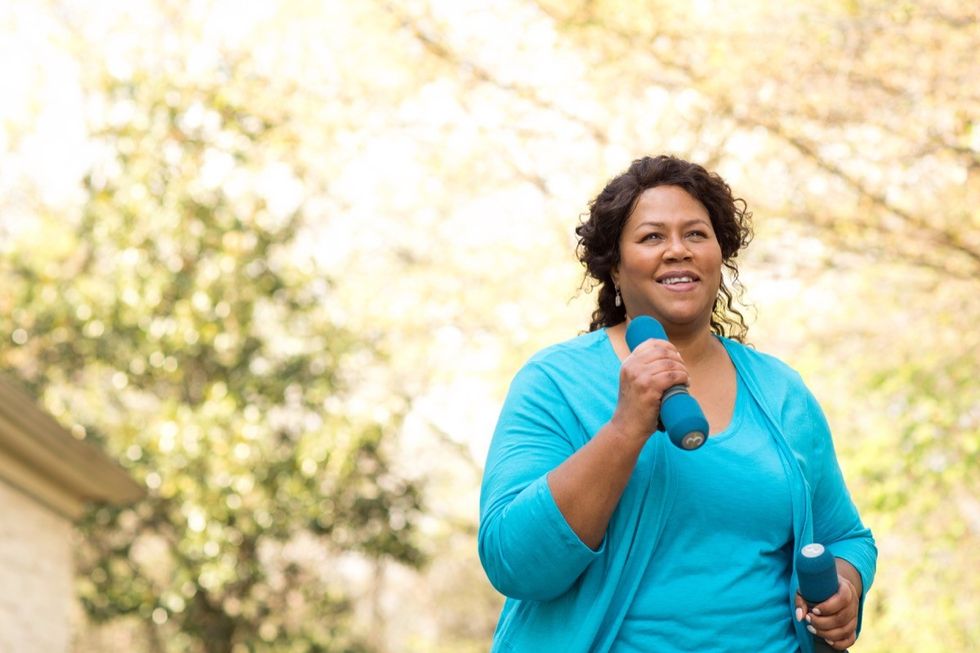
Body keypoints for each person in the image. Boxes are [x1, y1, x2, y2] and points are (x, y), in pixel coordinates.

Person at [478, 155, 877, 653]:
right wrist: (625, 428)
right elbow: (513, 562)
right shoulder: (555, 383)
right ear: (615, 268)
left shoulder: (780, 391)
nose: (677, 251)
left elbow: (846, 538)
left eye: (695, 234)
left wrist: (845, 587)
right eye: (651, 237)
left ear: (719, 255)